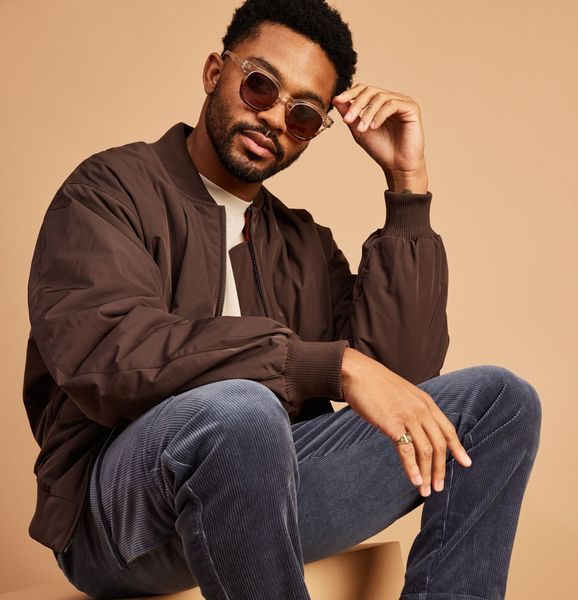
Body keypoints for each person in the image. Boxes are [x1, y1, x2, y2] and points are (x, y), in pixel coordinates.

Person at [22, 1, 541, 598]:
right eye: (260, 86)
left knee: (501, 403)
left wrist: (407, 186)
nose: (272, 117)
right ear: (215, 73)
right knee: (240, 410)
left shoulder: (304, 243)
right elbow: (108, 354)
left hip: (272, 498)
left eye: (302, 115)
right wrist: (328, 365)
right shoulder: (110, 189)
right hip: (121, 516)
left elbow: (403, 383)